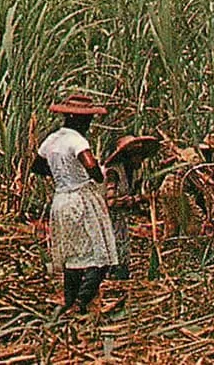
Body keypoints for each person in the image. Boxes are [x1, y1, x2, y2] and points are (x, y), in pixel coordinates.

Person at [32, 94, 118, 315]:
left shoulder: (51, 140)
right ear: (78, 119)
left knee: (73, 256)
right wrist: (97, 176)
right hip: (81, 197)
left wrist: (62, 175)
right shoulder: (78, 140)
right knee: (101, 257)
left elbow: (37, 167)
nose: (88, 123)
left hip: (61, 199)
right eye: (87, 119)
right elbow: (91, 166)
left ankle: (69, 302)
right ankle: (80, 302)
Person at [103, 135, 160, 280]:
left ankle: (120, 275)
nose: (140, 160)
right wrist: (139, 199)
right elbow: (111, 202)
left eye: (141, 156)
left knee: (121, 247)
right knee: (111, 247)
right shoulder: (113, 173)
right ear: (127, 156)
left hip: (118, 219)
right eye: (136, 156)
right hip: (105, 218)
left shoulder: (133, 173)